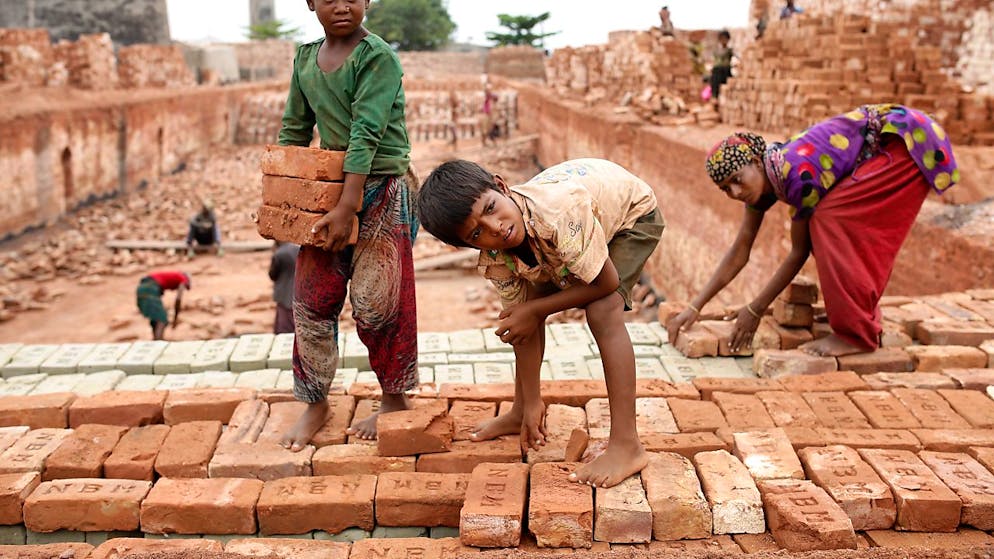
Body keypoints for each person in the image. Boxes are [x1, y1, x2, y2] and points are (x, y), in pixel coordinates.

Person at [417, 158, 665, 488]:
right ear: (467, 245)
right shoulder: (497, 256)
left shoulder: (559, 213)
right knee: (523, 312)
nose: (495, 228)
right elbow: (522, 323)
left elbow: (606, 282)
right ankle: (520, 410)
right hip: (575, 229)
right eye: (477, 233)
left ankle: (627, 445)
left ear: (501, 186)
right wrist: (532, 401)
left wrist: (536, 311)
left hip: (629, 216)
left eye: (490, 208)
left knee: (603, 310)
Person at [667, 104, 959, 357]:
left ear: (756, 163)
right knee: (829, 229)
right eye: (725, 189)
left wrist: (755, 309)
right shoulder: (762, 185)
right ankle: (856, 313)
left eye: (737, 180)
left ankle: (855, 334)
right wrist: (695, 307)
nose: (735, 191)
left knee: (830, 222)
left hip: (907, 141)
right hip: (896, 140)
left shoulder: (795, 174)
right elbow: (740, 250)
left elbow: (799, 252)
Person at [277, 0, 419, 449]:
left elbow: (366, 130)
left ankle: (394, 399)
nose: (342, 5)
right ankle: (315, 401)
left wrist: (349, 204)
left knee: (380, 301)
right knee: (312, 300)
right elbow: (295, 127)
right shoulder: (305, 58)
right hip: (327, 189)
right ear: (310, 3)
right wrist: (284, 197)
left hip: (380, 188)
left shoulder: (377, 57)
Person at [136, 270, 190, 341]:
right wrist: (175, 319)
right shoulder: (183, 279)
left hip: (142, 289)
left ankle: (155, 340)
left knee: (155, 318)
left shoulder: (173, 276)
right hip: (150, 289)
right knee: (161, 318)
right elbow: (178, 299)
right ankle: (158, 341)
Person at [269, 241, 300, 335]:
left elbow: (272, 274)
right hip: (299, 292)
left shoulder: (279, 254)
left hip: (284, 294)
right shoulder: (298, 249)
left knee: (284, 329)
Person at [709, 30, 734, 103]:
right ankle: (714, 96)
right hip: (717, 72)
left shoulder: (729, 50)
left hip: (725, 72)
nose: (723, 40)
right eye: (722, 38)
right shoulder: (716, 51)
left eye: (725, 38)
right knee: (715, 74)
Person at [480, 82, 499, 146]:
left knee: (490, 128)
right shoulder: (485, 97)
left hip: (491, 115)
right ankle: (484, 142)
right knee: (485, 129)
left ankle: (492, 141)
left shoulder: (492, 96)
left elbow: (496, 98)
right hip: (486, 114)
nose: (488, 91)